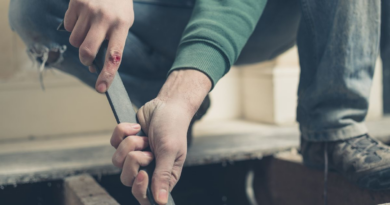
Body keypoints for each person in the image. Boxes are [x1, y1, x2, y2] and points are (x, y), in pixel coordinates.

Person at [8, 0, 390, 204]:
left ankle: (332, 124)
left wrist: (185, 91)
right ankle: (158, 104)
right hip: (168, 12)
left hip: (280, 13)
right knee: (35, 7)